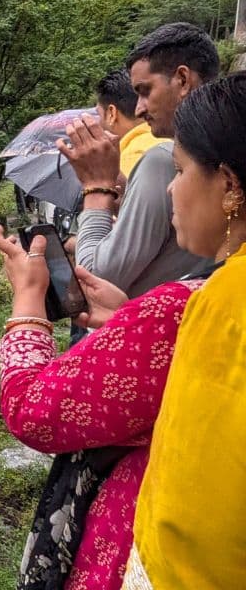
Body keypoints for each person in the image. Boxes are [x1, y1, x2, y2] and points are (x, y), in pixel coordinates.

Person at [0, 226, 202, 590]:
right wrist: (131, 319)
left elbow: (32, 411)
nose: (172, 197)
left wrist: (28, 297)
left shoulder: (180, 306)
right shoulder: (213, 296)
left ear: (230, 194)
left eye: (179, 180)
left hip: (134, 546)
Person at [123, 74, 246, 590]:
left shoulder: (224, 303)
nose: (172, 188)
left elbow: (195, 517)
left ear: (229, 185)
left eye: (179, 170)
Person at [61, 23, 217, 297]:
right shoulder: (224, 150)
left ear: (182, 79)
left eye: (145, 91)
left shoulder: (161, 160)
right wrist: (125, 193)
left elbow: (94, 280)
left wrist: (96, 188)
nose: (139, 109)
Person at [94, 68, 166, 179]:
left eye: (98, 115)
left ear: (112, 113)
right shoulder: (170, 140)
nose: (98, 122)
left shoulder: (131, 156)